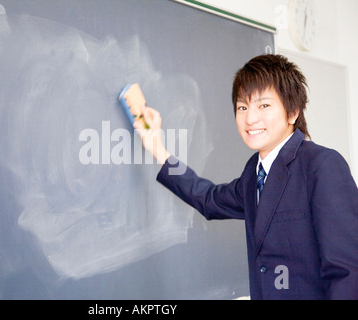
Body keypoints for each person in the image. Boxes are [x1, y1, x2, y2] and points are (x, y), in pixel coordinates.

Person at [133, 54, 358, 300]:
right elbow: (208, 198)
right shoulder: (254, 173)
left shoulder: (321, 166)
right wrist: (158, 149)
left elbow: (347, 272)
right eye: (242, 107)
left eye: (263, 105)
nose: (250, 119)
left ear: (292, 112)